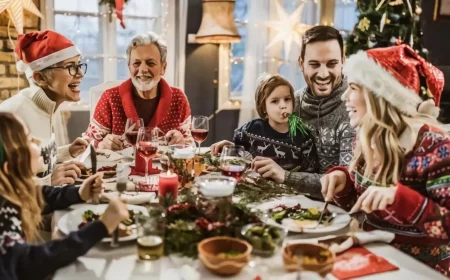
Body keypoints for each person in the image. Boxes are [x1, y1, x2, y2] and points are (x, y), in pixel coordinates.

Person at [321, 45, 450, 275]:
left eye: (352, 88)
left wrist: (400, 198)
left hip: (422, 270)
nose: (344, 96)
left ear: (379, 98)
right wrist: (343, 182)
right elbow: (360, 205)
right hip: (374, 257)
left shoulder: (435, 147)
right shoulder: (366, 138)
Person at [214, 26, 353, 198]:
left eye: (332, 64)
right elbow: (266, 150)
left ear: (343, 61)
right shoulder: (291, 103)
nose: (323, 74)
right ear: (301, 64)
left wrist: (286, 177)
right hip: (285, 202)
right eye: (314, 64)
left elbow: (347, 184)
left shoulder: (353, 110)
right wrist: (237, 152)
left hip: (335, 212)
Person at [0, 112, 130, 280]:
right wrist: (102, 226)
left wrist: (79, 193)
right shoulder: (3, 213)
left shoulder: (10, 190)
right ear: (9, 168)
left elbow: (41, 195)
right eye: (29, 140)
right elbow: (29, 262)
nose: (38, 142)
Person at [0, 30, 89, 186]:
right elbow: (6, 188)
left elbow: (31, 164)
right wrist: (49, 181)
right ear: (40, 78)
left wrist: (67, 152)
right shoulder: (13, 115)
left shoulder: (46, 105)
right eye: (70, 67)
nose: (80, 74)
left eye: (79, 65)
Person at [85, 32, 192, 150]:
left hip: (164, 168)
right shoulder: (110, 98)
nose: (143, 69)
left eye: (150, 63)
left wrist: (182, 142)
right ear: (129, 67)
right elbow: (88, 145)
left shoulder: (178, 98)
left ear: (163, 68)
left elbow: (189, 144)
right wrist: (101, 145)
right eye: (136, 63)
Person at [211, 74, 317, 174]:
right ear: (264, 107)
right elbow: (239, 158)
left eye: (287, 99)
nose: (283, 105)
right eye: (275, 101)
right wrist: (230, 148)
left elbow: (309, 173)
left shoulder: (303, 137)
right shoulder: (250, 130)